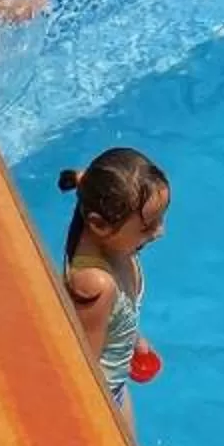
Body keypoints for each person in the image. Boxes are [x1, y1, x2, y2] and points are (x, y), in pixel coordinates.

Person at [58, 147, 170, 409]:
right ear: (98, 224)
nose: (160, 231)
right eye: (148, 226)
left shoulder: (119, 246)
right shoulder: (95, 284)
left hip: (117, 388)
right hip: (103, 401)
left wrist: (133, 339)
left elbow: (113, 318)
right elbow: (82, 372)